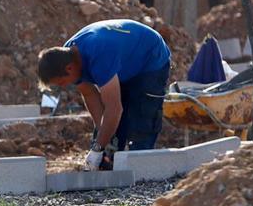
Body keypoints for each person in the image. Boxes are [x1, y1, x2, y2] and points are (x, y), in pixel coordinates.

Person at [38, 19, 171, 170]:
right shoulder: (67, 57)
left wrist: (97, 148)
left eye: (61, 82)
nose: (64, 86)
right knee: (110, 132)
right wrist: (102, 134)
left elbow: (114, 109)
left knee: (142, 118)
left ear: (69, 68)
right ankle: (111, 163)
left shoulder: (98, 55)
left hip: (150, 58)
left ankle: (140, 170)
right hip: (124, 62)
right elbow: (90, 95)